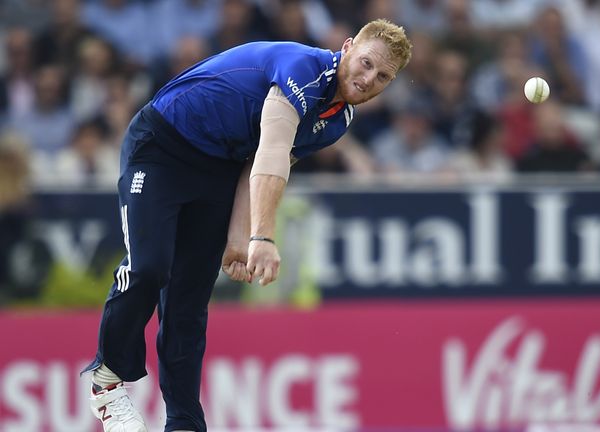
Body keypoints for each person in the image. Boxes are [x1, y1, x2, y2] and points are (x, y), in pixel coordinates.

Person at [82, 19, 412, 432]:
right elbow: (273, 149)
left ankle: (184, 423)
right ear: (347, 47)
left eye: (383, 77)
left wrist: (239, 237)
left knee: (187, 304)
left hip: (219, 170)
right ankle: (108, 382)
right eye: (365, 64)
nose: (368, 80)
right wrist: (263, 236)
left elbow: (254, 162)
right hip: (162, 149)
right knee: (150, 267)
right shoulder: (303, 70)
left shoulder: (338, 119)